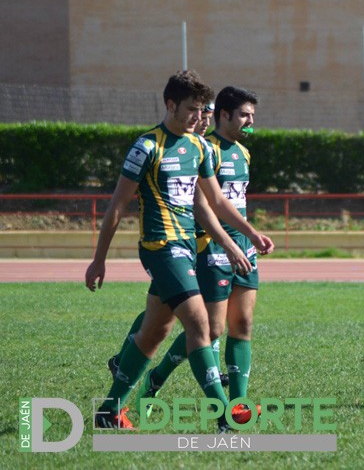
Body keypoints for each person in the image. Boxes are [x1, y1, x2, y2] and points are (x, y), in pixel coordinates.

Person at [85, 70, 274, 431]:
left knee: (154, 332)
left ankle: (109, 410)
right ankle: (227, 415)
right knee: (201, 324)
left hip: (188, 246)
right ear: (170, 105)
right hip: (160, 247)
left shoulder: (199, 147)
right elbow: (116, 206)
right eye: (191, 109)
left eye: (201, 110)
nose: (197, 117)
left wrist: (241, 237)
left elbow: (211, 203)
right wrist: (99, 260)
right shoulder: (147, 147)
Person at [135, 86, 264, 423]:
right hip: (213, 247)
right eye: (245, 115)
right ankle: (156, 377)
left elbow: (236, 203)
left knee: (244, 323)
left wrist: (250, 236)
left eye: (253, 115)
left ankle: (239, 405)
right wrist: (225, 243)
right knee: (212, 329)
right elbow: (204, 205)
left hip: (243, 247)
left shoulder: (243, 153)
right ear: (224, 115)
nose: (251, 121)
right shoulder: (207, 150)